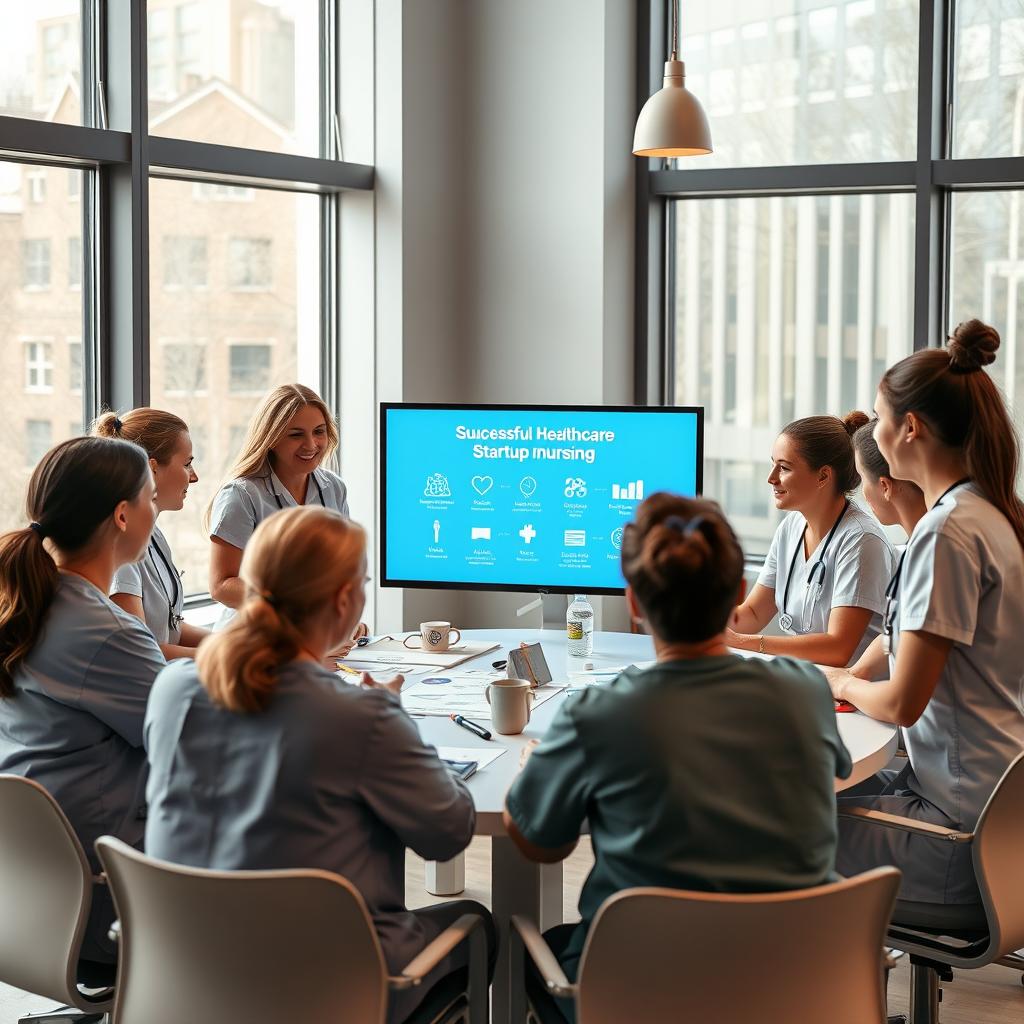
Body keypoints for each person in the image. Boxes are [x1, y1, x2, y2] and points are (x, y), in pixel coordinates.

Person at [503, 493, 852, 1023]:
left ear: (634, 603)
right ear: (738, 591)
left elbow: (538, 842)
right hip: (791, 984)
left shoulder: (599, 714)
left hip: (641, 991)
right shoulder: (805, 690)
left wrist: (534, 768)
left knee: (535, 948)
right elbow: (829, 776)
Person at [145, 506, 494, 1023]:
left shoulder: (172, 687)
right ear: (345, 600)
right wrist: (399, 725)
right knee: (477, 923)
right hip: (328, 988)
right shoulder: (360, 716)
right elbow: (449, 832)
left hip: (187, 973)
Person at [824, 320, 1024, 916]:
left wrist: (840, 682)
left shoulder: (946, 532)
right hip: (995, 818)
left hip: (957, 837)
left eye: (882, 417)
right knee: (797, 798)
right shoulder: (993, 513)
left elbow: (903, 703)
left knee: (755, 827)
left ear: (909, 428)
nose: (874, 430)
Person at [0, 437, 166, 962]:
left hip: (35, 896)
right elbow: (194, 745)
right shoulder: (109, 632)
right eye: (151, 498)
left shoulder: (29, 603)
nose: (156, 509)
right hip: (110, 907)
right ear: (123, 515)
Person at [726, 411, 895, 666]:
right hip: (806, 678)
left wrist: (742, 642)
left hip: (853, 695)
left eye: (784, 468)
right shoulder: (791, 527)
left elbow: (838, 648)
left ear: (823, 476)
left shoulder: (862, 540)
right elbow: (751, 613)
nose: (771, 478)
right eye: (773, 464)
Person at [205, 383, 365, 648]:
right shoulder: (242, 495)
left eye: (319, 432)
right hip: (250, 645)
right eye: (295, 435)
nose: (311, 444)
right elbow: (221, 585)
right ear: (271, 438)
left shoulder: (334, 488)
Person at [94, 408, 211, 660]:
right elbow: (140, 650)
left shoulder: (153, 534)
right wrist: (229, 656)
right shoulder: (122, 548)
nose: (194, 477)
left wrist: (231, 643)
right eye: (187, 464)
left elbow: (170, 629)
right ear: (153, 469)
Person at [842, 420, 928, 681]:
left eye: (862, 477)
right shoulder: (915, 547)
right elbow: (898, 633)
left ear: (885, 486)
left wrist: (843, 685)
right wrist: (849, 676)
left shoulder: (937, 547)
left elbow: (902, 702)